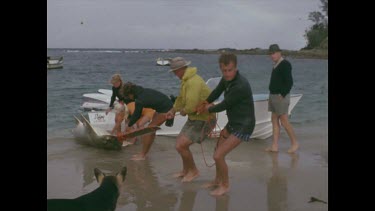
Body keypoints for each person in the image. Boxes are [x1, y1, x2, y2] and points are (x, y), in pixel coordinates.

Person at [197, 52, 255, 196]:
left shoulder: (240, 85)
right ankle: (217, 180)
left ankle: (225, 185)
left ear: (235, 68)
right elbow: (216, 92)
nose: (227, 74)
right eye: (224, 71)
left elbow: (224, 104)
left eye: (230, 70)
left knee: (218, 156)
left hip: (244, 125)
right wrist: (206, 101)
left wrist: (207, 108)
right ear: (221, 68)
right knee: (217, 149)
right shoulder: (226, 79)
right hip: (233, 122)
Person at [165, 57, 217, 182]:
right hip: (195, 118)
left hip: (205, 119)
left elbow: (192, 105)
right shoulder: (186, 80)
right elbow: (181, 99)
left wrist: (183, 111)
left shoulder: (193, 81)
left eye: (175, 71)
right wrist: (173, 110)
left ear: (182, 69)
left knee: (181, 146)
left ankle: (193, 171)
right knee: (179, 144)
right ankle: (186, 170)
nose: (174, 74)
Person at [120, 82, 173, 161]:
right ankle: (144, 153)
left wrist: (129, 125)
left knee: (148, 131)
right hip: (162, 107)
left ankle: (142, 155)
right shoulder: (142, 91)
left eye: (128, 96)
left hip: (167, 109)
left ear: (130, 94)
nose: (129, 99)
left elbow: (136, 115)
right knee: (151, 130)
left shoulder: (140, 99)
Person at [265, 44, 299, 153]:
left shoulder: (285, 64)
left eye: (274, 53)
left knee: (284, 121)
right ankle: (274, 146)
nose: (272, 55)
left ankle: (295, 143)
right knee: (274, 120)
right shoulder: (276, 64)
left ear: (279, 53)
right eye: (270, 53)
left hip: (280, 97)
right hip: (273, 96)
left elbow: (289, 82)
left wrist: (282, 94)